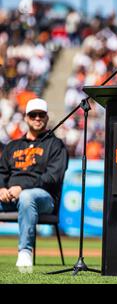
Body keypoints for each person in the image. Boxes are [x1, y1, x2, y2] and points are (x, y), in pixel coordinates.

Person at [0, 98, 69, 271]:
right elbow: (1, 172)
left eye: (41, 115)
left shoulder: (56, 145)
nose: (37, 118)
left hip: (43, 199)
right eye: (33, 115)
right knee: (22, 196)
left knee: (26, 196)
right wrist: (1, 188)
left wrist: (22, 188)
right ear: (25, 118)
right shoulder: (12, 146)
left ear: (46, 118)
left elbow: (53, 177)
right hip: (9, 197)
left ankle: (25, 252)